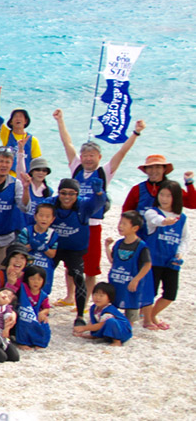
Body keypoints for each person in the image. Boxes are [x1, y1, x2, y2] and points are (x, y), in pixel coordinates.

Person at [53, 109, 143, 304]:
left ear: (99, 157)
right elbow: (67, 143)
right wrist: (60, 120)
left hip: (93, 224)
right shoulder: (76, 167)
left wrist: (135, 133)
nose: (88, 158)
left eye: (92, 155)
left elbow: (122, 152)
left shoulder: (104, 172)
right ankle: (70, 296)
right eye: (85, 155)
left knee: (91, 266)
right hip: (74, 222)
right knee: (71, 263)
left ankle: (85, 301)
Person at [49, 177, 105, 326]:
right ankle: (39, 307)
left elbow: (98, 204)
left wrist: (99, 193)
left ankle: (80, 315)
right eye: (63, 193)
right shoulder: (51, 203)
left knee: (79, 278)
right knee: (42, 274)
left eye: (71, 194)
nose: (67, 197)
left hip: (75, 250)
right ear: (58, 193)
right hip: (54, 248)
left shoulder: (83, 205)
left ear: (77, 194)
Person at [143, 180, 188, 330]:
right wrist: (165, 221)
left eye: (169, 196)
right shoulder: (152, 212)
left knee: (170, 294)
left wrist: (180, 254)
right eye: (162, 194)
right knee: (151, 292)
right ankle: (148, 319)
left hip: (171, 261)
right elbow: (156, 221)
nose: (164, 199)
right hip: (153, 260)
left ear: (175, 198)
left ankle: (152, 315)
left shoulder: (182, 218)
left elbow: (184, 238)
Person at [104, 211, 154, 327]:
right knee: (113, 306)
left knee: (131, 307)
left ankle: (127, 328)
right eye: (120, 223)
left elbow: (147, 264)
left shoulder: (141, 246)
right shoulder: (119, 243)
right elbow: (113, 260)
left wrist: (136, 279)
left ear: (135, 228)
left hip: (131, 284)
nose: (120, 226)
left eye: (124, 224)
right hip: (117, 281)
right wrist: (107, 247)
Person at [0, 82, 41, 174]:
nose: (18, 118)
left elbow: (37, 163)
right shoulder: (7, 134)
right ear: (11, 122)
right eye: (15, 116)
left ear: (26, 121)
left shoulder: (33, 140)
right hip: (8, 175)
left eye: (21, 116)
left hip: (25, 177)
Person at [122, 155, 196, 215]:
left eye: (158, 167)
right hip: (142, 231)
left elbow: (193, 204)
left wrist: (189, 183)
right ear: (145, 170)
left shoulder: (173, 188)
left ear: (164, 169)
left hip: (166, 231)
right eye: (150, 167)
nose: (153, 171)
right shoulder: (137, 189)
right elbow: (126, 211)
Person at [17, 203, 58, 293]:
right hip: (28, 266)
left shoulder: (53, 234)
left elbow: (52, 254)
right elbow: (20, 250)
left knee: (42, 291)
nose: (44, 219)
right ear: (35, 217)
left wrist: (43, 247)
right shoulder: (26, 231)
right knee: (24, 288)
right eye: (41, 215)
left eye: (47, 216)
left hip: (45, 266)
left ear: (52, 219)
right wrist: (32, 245)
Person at [13, 265, 52, 350]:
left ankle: (39, 342)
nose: (36, 282)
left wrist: (43, 313)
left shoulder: (43, 295)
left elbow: (47, 308)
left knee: (45, 326)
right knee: (23, 323)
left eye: (39, 279)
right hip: (22, 315)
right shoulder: (23, 288)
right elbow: (16, 281)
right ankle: (22, 342)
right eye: (32, 279)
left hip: (35, 316)